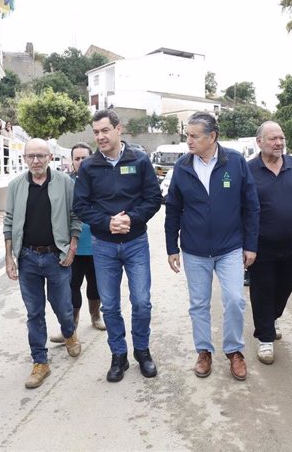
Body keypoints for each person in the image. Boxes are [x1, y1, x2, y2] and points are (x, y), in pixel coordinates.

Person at [165, 112, 259, 381]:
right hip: (195, 250)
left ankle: (234, 351)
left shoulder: (236, 162)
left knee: (234, 299)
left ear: (212, 137)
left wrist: (250, 245)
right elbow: (172, 209)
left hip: (230, 247)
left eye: (194, 136)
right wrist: (172, 247)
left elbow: (251, 206)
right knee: (199, 304)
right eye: (188, 135)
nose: (188, 141)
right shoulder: (183, 167)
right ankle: (204, 351)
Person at [73, 109, 162, 382]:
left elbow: (153, 199)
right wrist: (107, 223)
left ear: (118, 129)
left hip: (135, 242)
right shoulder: (89, 166)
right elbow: (81, 206)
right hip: (104, 245)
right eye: (96, 132)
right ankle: (118, 355)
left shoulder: (140, 160)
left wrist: (130, 219)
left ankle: (142, 351)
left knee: (142, 302)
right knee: (110, 305)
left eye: (104, 130)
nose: (100, 136)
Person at [4, 138, 82, 389]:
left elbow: (75, 217)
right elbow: (8, 221)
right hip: (27, 258)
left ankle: (69, 333)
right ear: (24, 159)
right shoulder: (16, 185)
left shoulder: (64, 182)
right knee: (34, 312)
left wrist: (72, 248)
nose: (35, 161)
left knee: (62, 307)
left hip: (56, 257)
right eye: (31, 157)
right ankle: (40, 361)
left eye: (41, 156)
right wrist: (9, 257)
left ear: (50, 158)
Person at [247, 121, 292, 364]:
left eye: (281, 138)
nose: (279, 143)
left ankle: (272, 317)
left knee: (284, 287)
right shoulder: (249, 169)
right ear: (260, 142)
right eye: (273, 138)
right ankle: (265, 337)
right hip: (260, 245)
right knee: (263, 289)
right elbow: (242, 208)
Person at [50, 143, 105, 346]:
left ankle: (96, 316)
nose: (81, 162)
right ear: (71, 161)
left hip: (98, 243)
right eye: (77, 158)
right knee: (71, 286)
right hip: (72, 245)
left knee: (95, 284)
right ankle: (70, 327)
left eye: (85, 158)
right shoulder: (65, 183)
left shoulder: (101, 180)